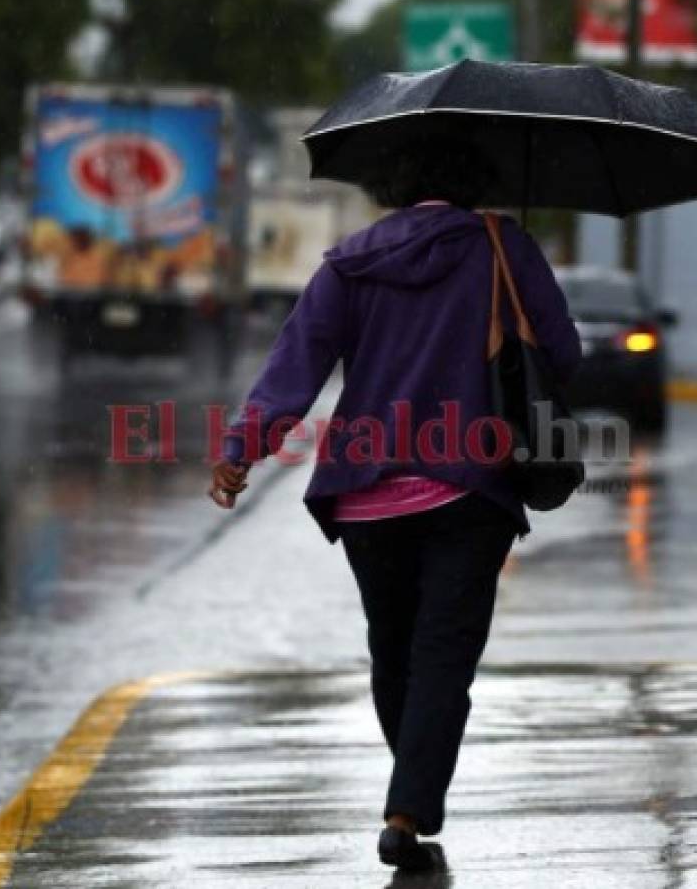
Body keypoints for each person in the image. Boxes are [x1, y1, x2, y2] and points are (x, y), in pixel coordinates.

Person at [207, 138, 582, 871]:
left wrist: (240, 449)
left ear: (395, 184)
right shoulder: (503, 247)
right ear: (475, 178)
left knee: (395, 648)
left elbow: (298, 362)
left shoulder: (350, 259)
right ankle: (404, 810)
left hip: (364, 493)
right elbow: (562, 358)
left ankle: (409, 795)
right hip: (470, 483)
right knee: (443, 654)